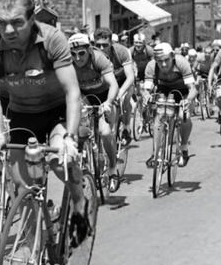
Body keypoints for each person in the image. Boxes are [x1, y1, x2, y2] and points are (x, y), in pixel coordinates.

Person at [0, 0, 88, 240]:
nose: (8, 31)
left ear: (32, 19)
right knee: (22, 188)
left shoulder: (52, 40)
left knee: (59, 160)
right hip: (22, 115)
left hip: (56, 112)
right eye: (1, 23)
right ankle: (32, 258)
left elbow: (72, 91)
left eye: (17, 23)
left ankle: (80, 203)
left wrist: (70, 137)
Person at [67, 32, 121, 186]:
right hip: (85, 96)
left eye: (81, 53)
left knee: (104, 133)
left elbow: (113, 85)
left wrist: (109, 102)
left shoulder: (98, 59)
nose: (77, 58)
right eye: (73, 54)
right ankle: (84, 164)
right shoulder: (69, 64)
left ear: (89, 50)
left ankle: (112, 168)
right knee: (77, 131)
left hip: (105, 97)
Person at [142, 42, 197, 166]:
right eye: (160, 61)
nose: (163, 64)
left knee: (184, 117)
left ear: (172, 56)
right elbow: (146, 89)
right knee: (158, 117)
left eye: (166, 60)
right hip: (163, 91)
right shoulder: (151, 66)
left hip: (182, 92)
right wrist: (146, 95)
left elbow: (193, 89)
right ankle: (156, 153)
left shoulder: (181, 63)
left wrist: (188, 100)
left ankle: (183, 147)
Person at [92, 27, 135, 178]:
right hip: (106, 84)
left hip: (122, 81)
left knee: (125, 99)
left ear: (111, 43)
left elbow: (130, 77)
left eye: (105, 45)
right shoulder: (93, 55)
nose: (102, 48)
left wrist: (120, 93)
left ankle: (127, 127)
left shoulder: (121, 52)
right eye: (98, 45)